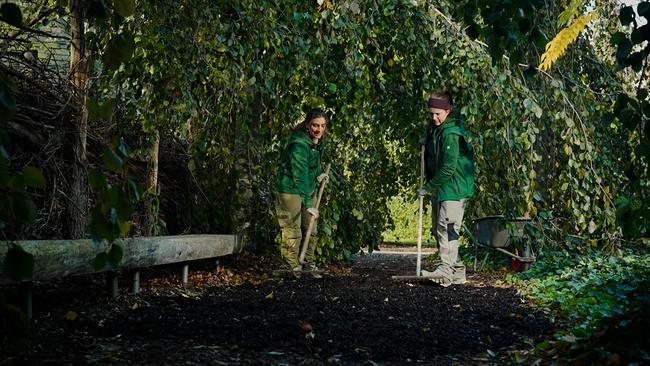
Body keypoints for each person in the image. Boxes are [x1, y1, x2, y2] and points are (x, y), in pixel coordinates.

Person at [417, 91, 475, 287]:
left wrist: (427, 187)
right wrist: (428, 141)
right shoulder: (437, 129)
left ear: (448, 111)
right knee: (438, 228)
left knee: (447, 228)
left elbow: (449, 167)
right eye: (431, 114)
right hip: (443, 187)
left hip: (453, 187)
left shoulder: (451, 133)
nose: (434, 118)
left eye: (438, 114)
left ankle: (445, 271)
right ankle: (457, 272)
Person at [275, 108, 329, 273]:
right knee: (293, 231)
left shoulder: (317, 142)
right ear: (307, 125)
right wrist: (307, 203)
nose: (319, 129)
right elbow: (299, 176)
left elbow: (310, 167)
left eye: (322, 126)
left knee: (311, 229)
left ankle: (308, 264)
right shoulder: (299, 145)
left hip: (308, 189)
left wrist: (319, 176)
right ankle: (292, 267)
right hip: (290, 190)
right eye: (315, 125)